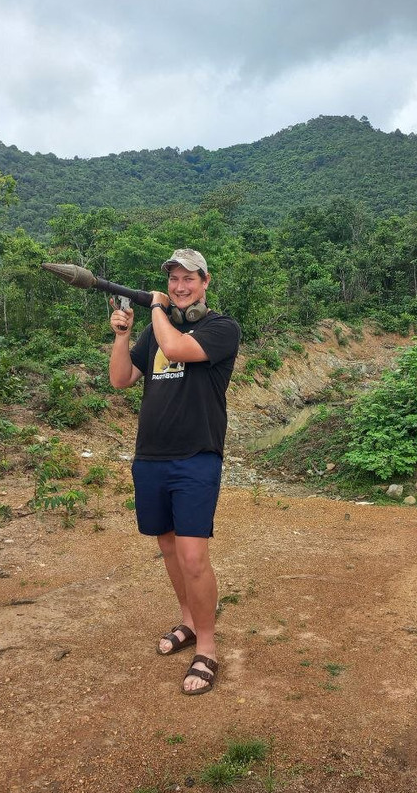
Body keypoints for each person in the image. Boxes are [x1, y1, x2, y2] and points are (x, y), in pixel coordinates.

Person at [108, 248, 241, 695]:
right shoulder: (156, 327)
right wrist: (123, 335)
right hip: (151, 457)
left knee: (192, 556)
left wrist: (157, 309)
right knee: (167, 547)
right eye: (173, 279)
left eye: (189, 278)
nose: (180, 286)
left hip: (196, 457)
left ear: (205, 282)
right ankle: (188, 621)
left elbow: (176, 348)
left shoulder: (221, 328)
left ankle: (207, 647)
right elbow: (121, 379)